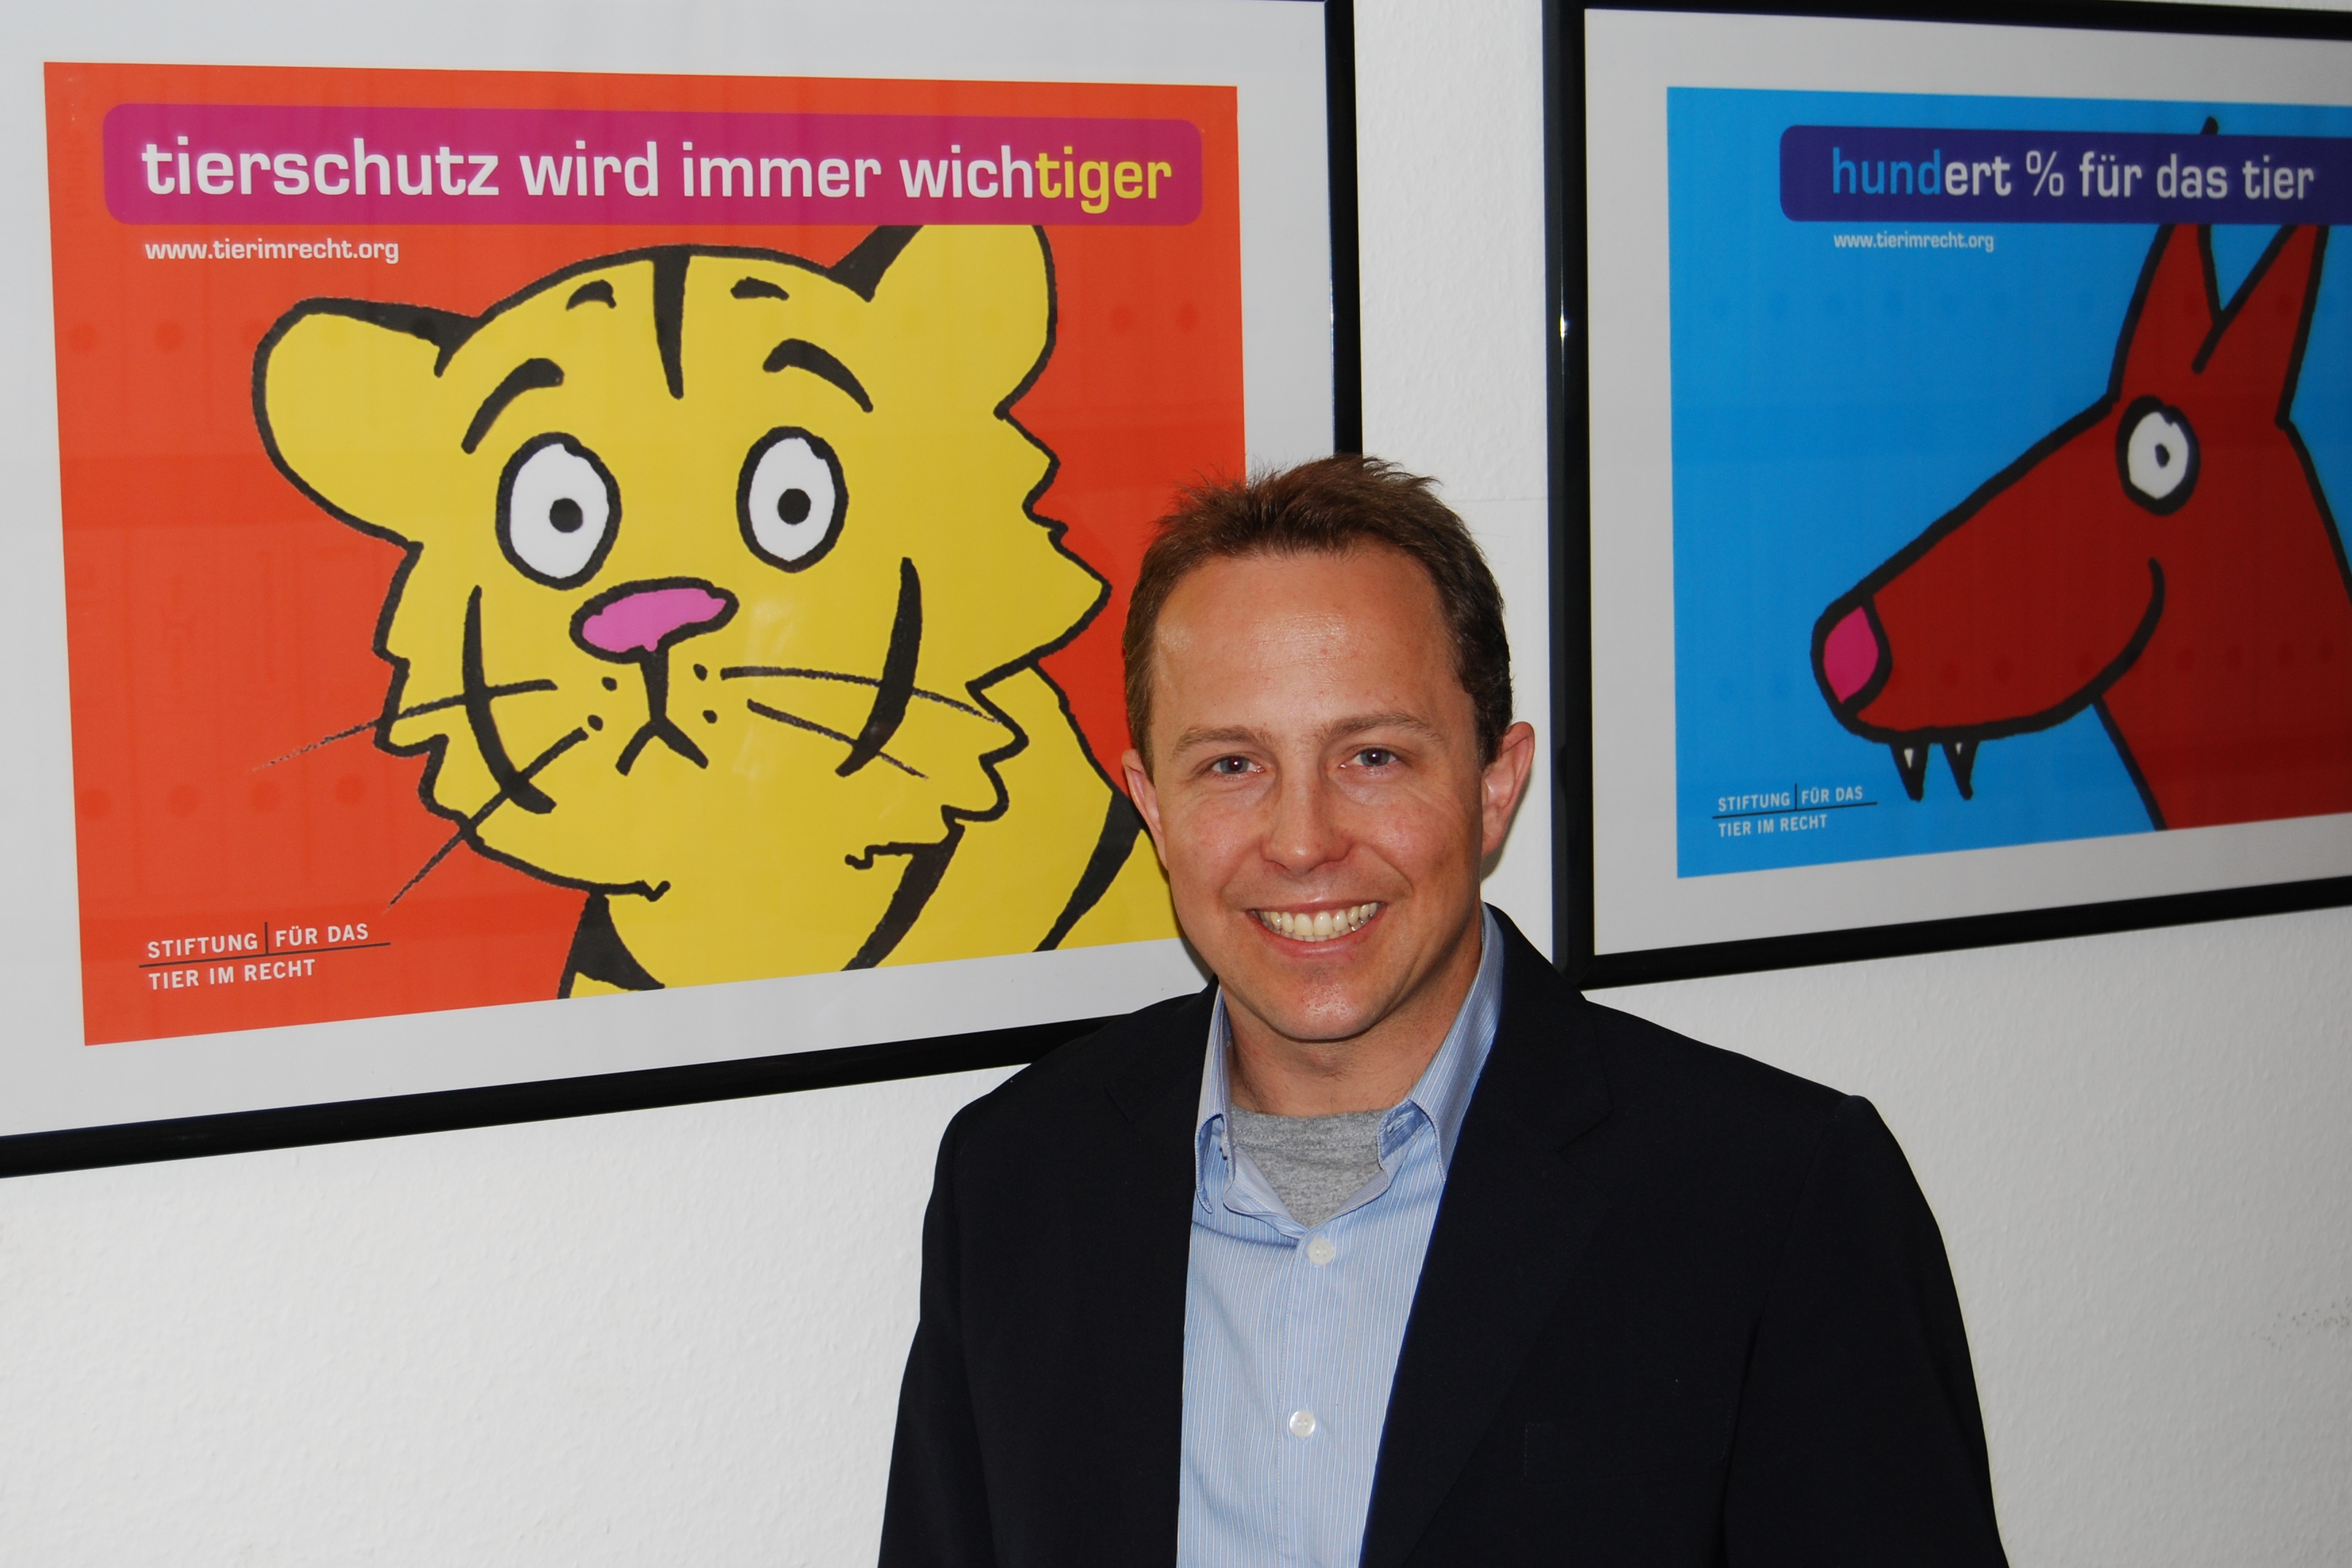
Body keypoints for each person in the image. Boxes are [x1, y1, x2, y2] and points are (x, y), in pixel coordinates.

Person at [879, 456, 2008, 1567]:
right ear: (1153, 808)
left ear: (1493, 785)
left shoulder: (1779, 1202)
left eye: (1373, 755)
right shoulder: (1014, 1180)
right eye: (1231, 764)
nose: (1304, 841)